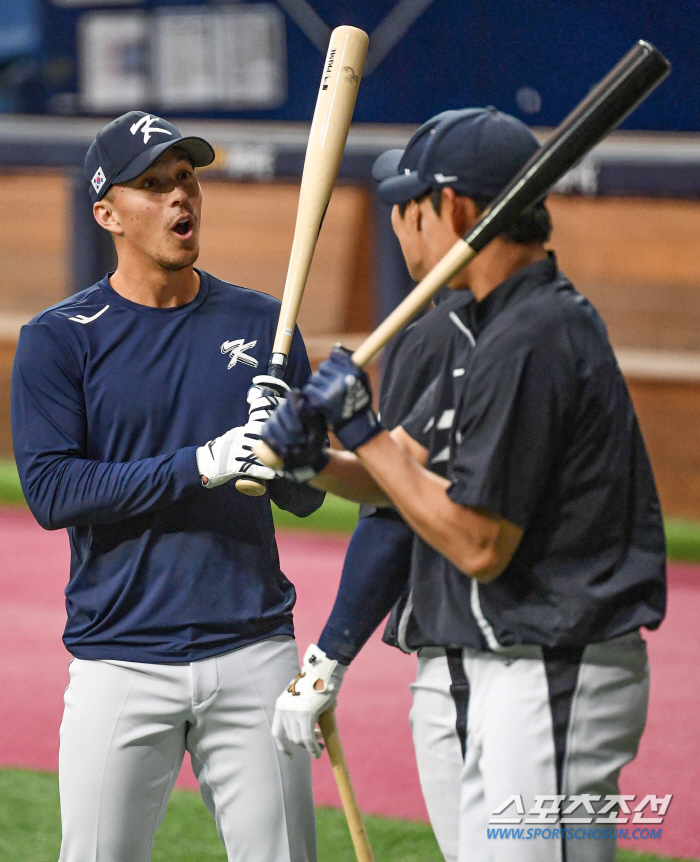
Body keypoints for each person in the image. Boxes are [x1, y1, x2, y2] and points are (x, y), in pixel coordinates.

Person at [262, 107, 667, 862]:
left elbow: (478, 544)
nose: (396, 223)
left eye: (405, 205)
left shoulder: (536, 336)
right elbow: (403, 473)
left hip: (551, 664)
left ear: (450, 207)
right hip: (512, 666)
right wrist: (318, 459)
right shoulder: (497, 327)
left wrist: (361, 428)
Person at [11, 111, 324, 862]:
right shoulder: (61, 338)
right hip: (120, 657)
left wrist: (292, 450)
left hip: (253, 647)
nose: (179, 197)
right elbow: (53, 492)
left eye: (186, 179)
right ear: (107, 213)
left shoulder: (266, 327)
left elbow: (305, 497)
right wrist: (203, 463)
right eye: (153, 185)